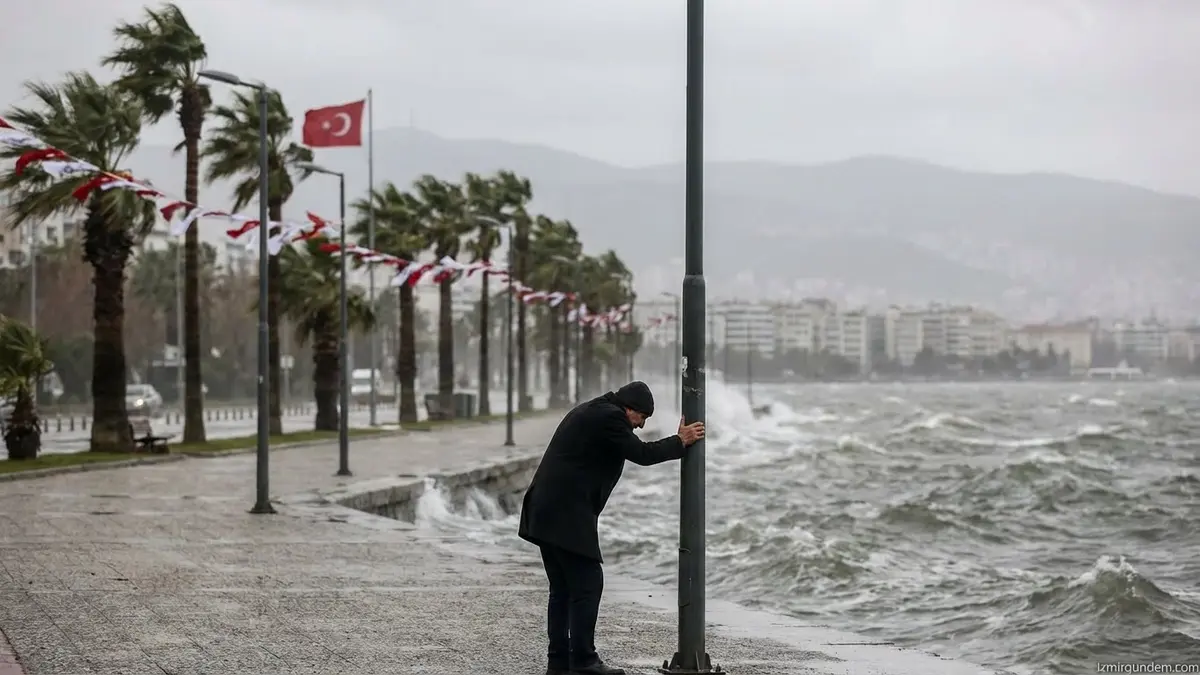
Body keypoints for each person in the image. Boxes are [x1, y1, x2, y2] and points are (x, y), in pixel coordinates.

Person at [518, 381, 706, 675]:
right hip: (565, 513)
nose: (641, 426)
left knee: (563, 589)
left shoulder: (594, 410)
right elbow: (642, 454)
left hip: (547, 510)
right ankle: (583, 661)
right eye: (642, 418)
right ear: (630, 408)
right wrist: (680, 441)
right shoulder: (610, 417)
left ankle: (559, 662)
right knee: (588, 582)